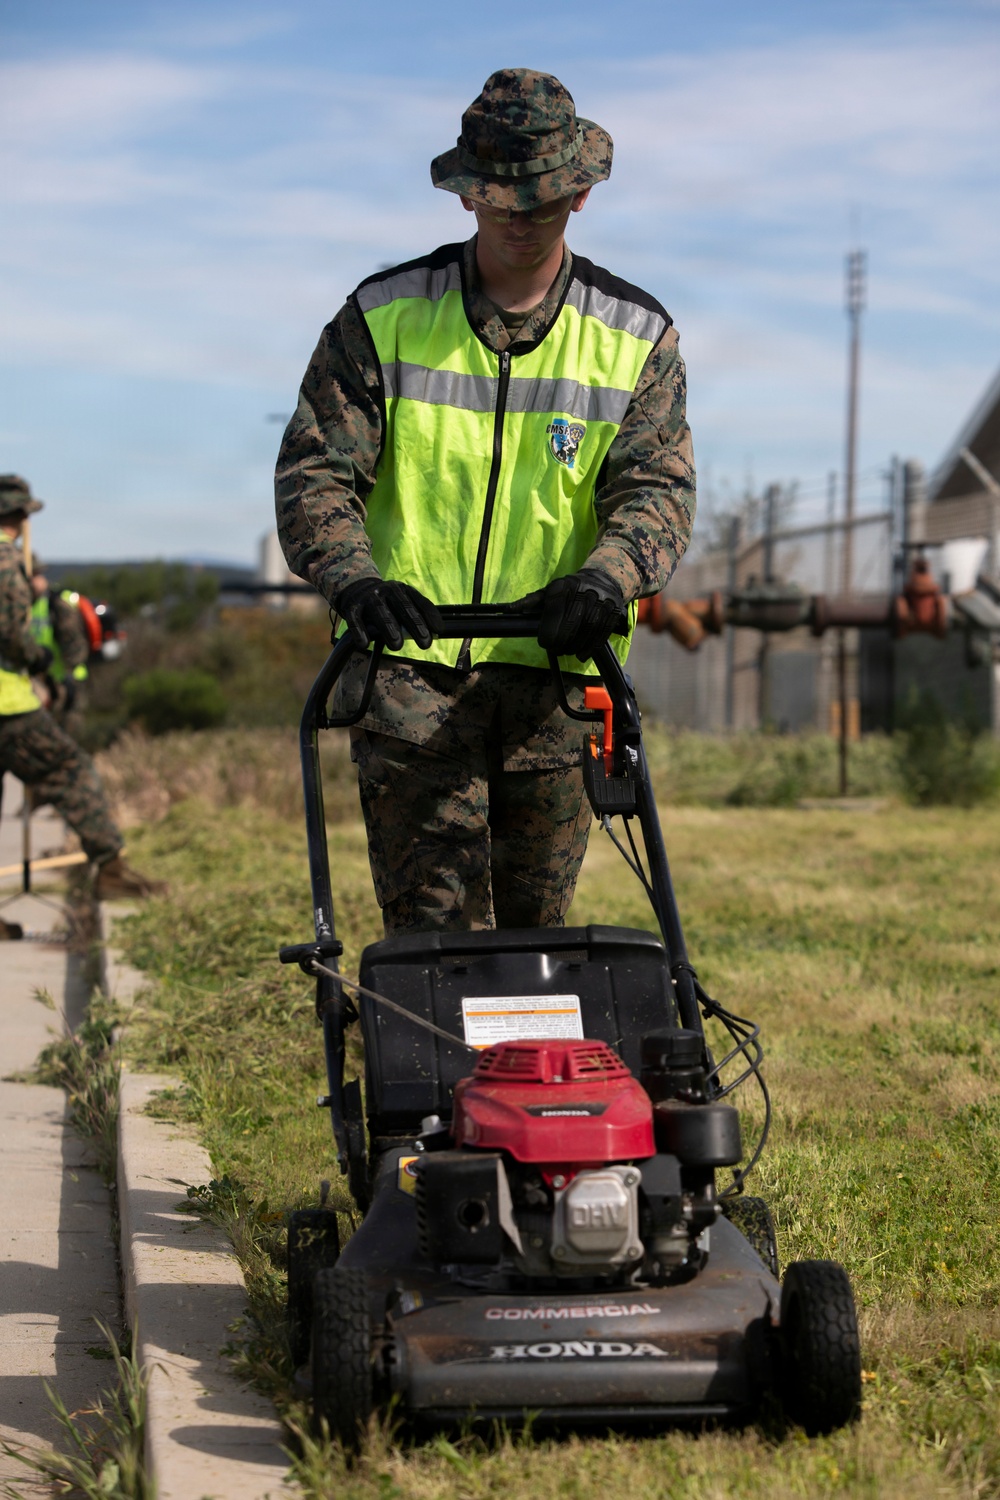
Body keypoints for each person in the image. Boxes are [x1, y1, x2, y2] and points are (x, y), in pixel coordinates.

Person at [275, 68, 695, 937]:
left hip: (558, 679)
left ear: (579, 194)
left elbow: (656, 491)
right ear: (466, 193)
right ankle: (429, 1074)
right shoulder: (382, 317)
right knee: (435, 945)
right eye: (498, 199)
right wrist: (355, 582)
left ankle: (529, 1076)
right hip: (409, 680)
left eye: (538, 202)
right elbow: (316, 472)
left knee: (538, 946)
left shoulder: (634, 337)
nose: (517, 218)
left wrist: (606, 580)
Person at [0, 475, 162, 929]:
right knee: (70, 771)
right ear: (20, 516)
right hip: (8, 706)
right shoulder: (5, 554)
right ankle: (110, 868)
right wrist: (37, 659)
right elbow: (11, 633)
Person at [30, 561, 92, 740]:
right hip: (43, 683)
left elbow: (75, 647)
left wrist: (67, 679)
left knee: (68, 740)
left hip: (67, 681)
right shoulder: (26, 605)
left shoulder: (56, 605)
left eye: (36, 575)